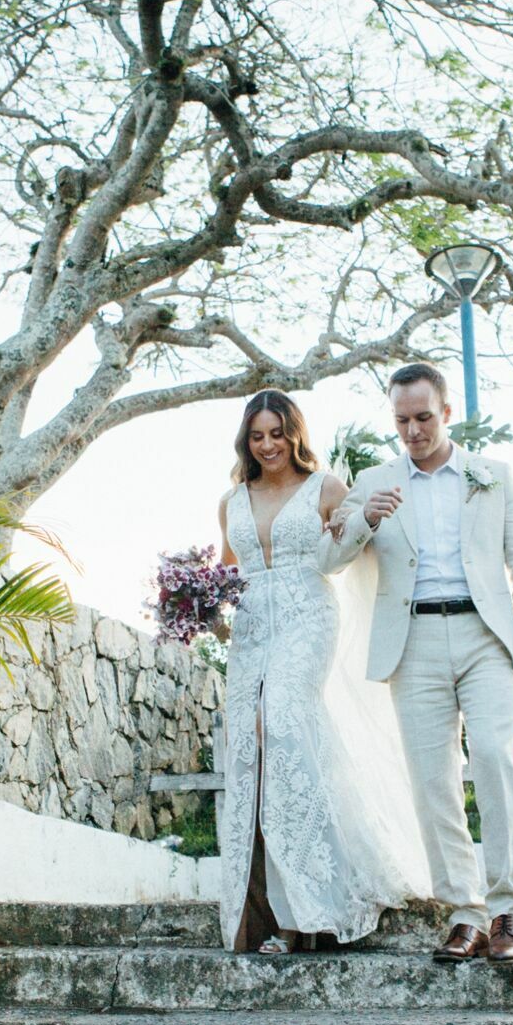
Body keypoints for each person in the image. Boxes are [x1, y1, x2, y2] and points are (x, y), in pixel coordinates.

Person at [326, 363, 513, 963]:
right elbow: (330, 556)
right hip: (413, 640)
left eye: (423, 417)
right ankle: (465, 913)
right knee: (433, 781)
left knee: (498, 760)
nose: (413, 430)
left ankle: (509, 911)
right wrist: (366, 519)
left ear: (446, 412)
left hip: (486, 637)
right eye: (401, 420)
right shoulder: (373, 479)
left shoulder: (491, 476)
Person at [214, 389, 426, 953]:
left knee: (281, 725)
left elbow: (348, 554)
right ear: (247, 440)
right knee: (248, 749)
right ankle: (259, 911)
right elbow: (226, 576)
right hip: (252, 630)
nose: (268, 445)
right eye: (257, 436)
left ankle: (305, 911)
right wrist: (202, 612)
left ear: (295, 434)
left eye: (277, 434)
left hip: (308, 617)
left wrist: (362, 522)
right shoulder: (231, 501)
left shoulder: (326, 487)